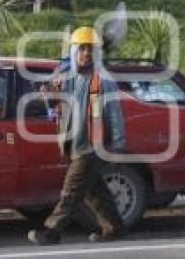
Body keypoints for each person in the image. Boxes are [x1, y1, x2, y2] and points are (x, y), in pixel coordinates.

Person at [28, 26, 127, 245]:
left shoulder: (104, 81)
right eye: (82, 49)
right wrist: (47, 93)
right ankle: (115, 228)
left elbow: (115, 114)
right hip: (74, 144)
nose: (86, 53)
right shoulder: (67, 79)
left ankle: (51, 232)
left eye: (90, 49)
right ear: (74, 52)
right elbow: (54, 102)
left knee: (70, 191)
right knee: (95, 190)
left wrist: (119, 145)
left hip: (92, 146)